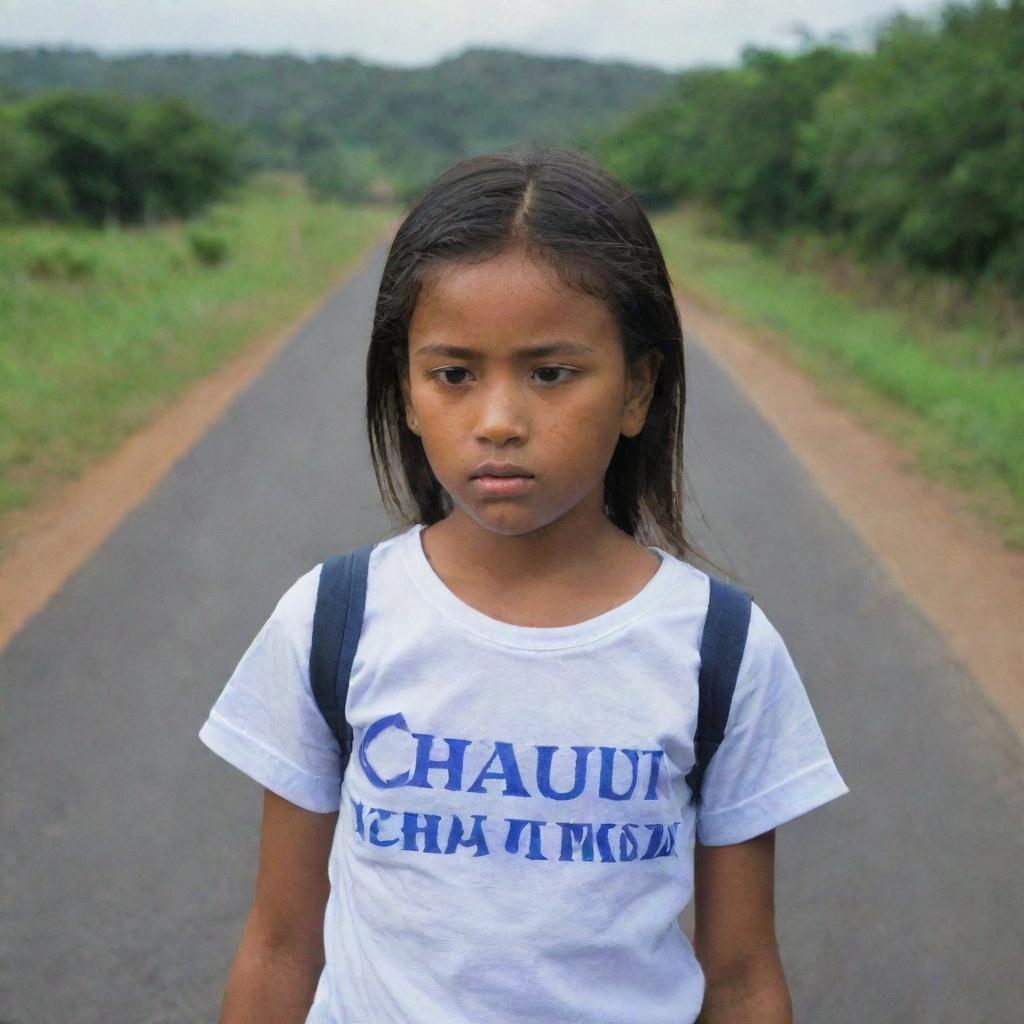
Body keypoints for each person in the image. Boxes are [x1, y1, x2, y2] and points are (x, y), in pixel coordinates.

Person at [198, 144, 850, 1024]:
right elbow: (280, 944)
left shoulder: (719, 649)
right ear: (406, 391)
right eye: (454, 375)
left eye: (551, 373)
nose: (499, 421)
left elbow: (739, 977)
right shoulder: (332, 620)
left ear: (638, 389)